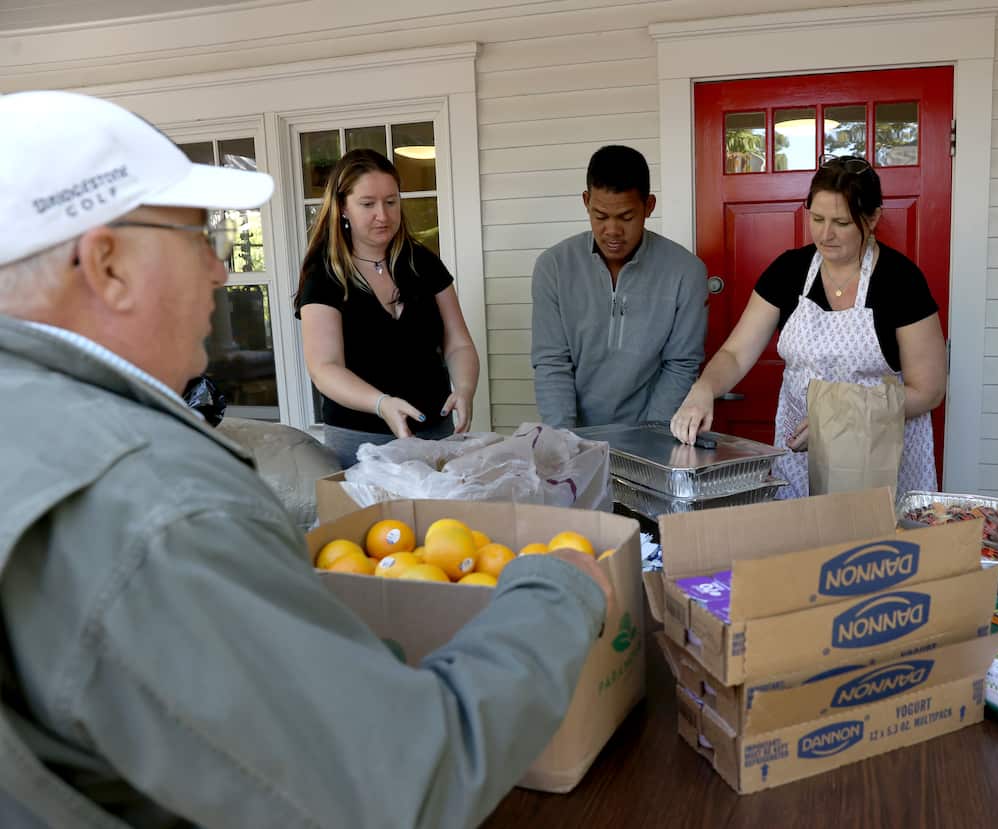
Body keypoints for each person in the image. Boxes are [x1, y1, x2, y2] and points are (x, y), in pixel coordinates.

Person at [0, 90, 613, 828]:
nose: (223, 272)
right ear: (107, 264)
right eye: (199, 238)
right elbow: (399, 780)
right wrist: (556, 589)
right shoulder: (160, 506)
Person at [670, 155, 946, 498]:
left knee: (872, 546)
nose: (825, 234)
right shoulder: (789, 271)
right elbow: (736, 353)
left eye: (842, 223)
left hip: (879, 452)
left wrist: (839, 420)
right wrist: (703, 389)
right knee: (800, 542)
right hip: (799, 450)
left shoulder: (900, 282)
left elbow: (929, 390)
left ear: (872, 218)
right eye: (817, 218)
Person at [295, 148, 479, 468]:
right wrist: (382, 404)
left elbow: (458, 343)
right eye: (368, 204)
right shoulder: (324, 277)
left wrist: (464, 388)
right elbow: (324, 368)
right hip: (360, 443)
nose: (383, 215)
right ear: (342, 208)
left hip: (436, 434)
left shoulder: (423, 263)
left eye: (391, 201)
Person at [531, 144, 708, 427]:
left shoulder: (686, 272)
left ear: (648, 206)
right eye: (600, 216)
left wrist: (650, 440)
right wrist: (566, 441)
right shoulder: (553, 266)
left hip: (652, 431)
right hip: (574, 432)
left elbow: (680, 365)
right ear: (586, 201)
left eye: (626, 217)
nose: (612, 230)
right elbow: (552, 363)